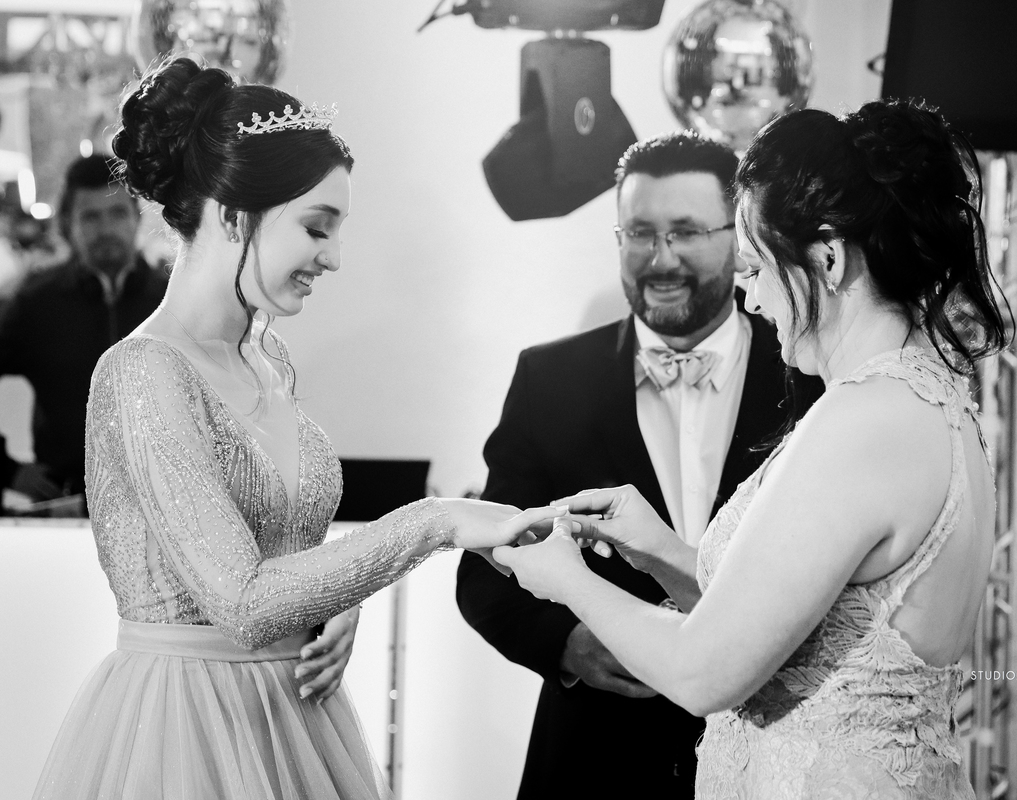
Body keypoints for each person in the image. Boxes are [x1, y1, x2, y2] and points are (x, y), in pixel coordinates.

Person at [32, 56, 561, 800]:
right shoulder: (142, 373)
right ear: (232, 215)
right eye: (317, 228)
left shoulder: (268, 357)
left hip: (292, 711)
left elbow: (285, 548)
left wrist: (337, 599)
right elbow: (246, 602)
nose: (333, 258)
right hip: (188, 727)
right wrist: (436, 521)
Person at [495, 98, 1010, 798]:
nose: (755, 298)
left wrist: (566, 578)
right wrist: (662, 550)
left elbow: (703, 672)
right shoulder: (927, 401)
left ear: (828, 258)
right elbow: (798, 622)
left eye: (758, 268)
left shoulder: (864, 421)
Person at [456, 131, 823, 799]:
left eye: (686, 232)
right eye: (640, 234)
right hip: (594, 760)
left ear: (738, 238)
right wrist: (568, 643)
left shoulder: (806, 371)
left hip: (768, 751)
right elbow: (483, 571)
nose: (661, 258)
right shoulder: (548, 378)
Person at [0, 155, 167, 504]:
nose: (106, 229)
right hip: (67, 504)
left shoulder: (170, 300)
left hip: (165, 506)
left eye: (117, 213)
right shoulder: (35, 305)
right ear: (67, 224)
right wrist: (7, 470)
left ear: (136, 218)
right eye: (90, 217)